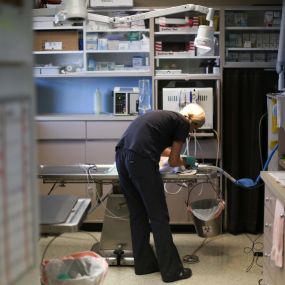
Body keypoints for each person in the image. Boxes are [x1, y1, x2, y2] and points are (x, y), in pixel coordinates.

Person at [115, 103, 205, 283]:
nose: (193, 133)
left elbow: (159, 146)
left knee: (138, 215)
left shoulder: (164, 117)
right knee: (158, 217)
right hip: (140, 160)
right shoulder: (182, 124)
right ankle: (172, 271)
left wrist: (178, 156)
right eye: (196, 128)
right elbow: (172, 161)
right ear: (193, 123)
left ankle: (144, 265)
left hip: (121, 156)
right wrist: (185, 163)